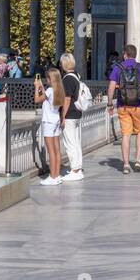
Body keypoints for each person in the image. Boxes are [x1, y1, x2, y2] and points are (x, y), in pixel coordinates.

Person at [107, 44, 140, 175]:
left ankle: (126, 164)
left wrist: (110, 103)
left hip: (123, 105)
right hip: (139, 105)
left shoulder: (117, 68)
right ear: (135, 55)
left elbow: (111, 87)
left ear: (125, 54)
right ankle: (137, 160)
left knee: (126, 135)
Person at [59, 52, 86, 182]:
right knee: (76, 142)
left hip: (69, 114)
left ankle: (75, 169)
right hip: (77, 113)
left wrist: (62, 116)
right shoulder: (76, 75)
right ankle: (78, 168)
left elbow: (67, 99)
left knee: (70, 143)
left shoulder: (67, 79)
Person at [37, 67, 66, 186]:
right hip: (56, 120)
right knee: (57, 150)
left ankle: (52, 176)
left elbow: (37, 99)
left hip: (48, 122)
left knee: (51, 151)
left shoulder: (49, 90)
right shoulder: (59, 90)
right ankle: (57, 175)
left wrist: (37, 87)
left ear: (50, 79)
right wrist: (41, 88)